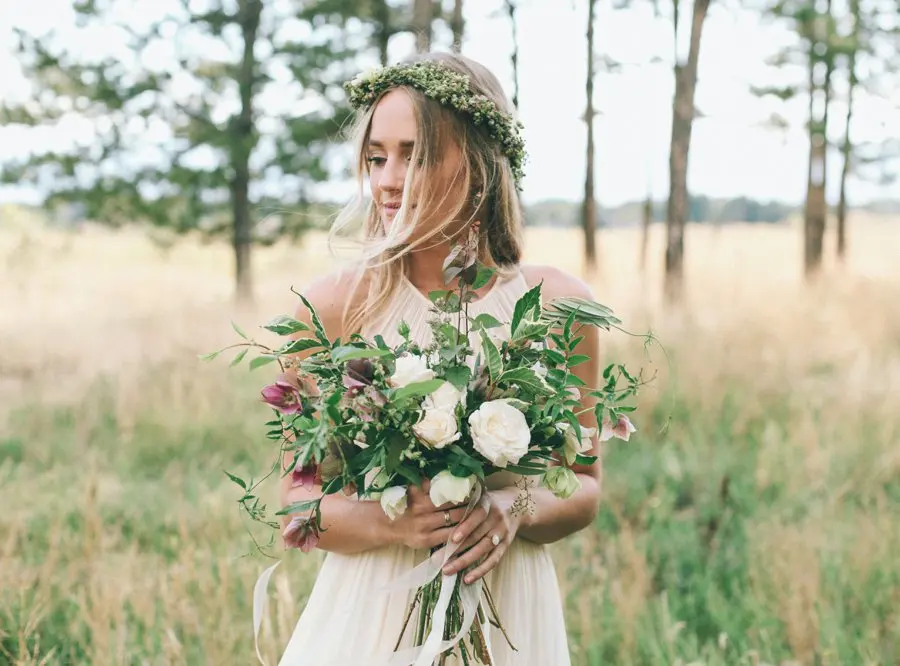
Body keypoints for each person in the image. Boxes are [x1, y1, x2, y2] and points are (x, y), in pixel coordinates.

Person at [275, 51, 602, 666]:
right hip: (376, 618)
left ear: (479, 162)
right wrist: (392, 524)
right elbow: (299, 502)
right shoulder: (332, 308)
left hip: (509, 615)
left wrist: (515, 506)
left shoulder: (560, 305)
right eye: (377, 157)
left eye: (415, 155)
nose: (387, 180)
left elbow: (584, 485)